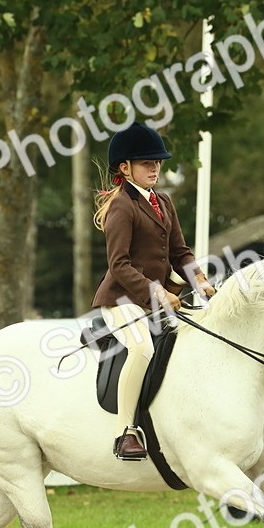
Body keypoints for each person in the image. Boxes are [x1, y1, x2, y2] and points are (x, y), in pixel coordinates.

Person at [91, 122, 215, 460]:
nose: (155, 168)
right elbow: (119, 264)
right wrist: (159, 294)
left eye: (157, 163)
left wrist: (201, 281)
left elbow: (180, 253)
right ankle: (125, 432)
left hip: (154, 298)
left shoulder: (163, 201)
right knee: (142, 349)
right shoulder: (121, 206)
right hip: (121, 300)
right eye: (148, 163)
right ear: (124, 167)